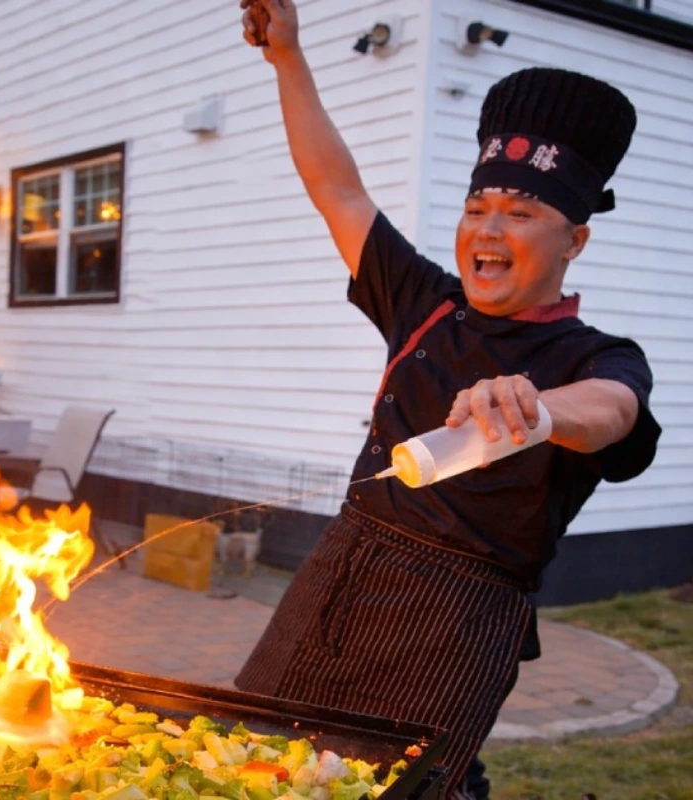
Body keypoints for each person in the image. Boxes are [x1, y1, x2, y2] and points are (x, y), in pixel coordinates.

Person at [236, 1, 663, 797]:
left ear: (574, 240)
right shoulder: (422, 301)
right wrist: (287, 58)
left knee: (400, 788)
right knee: (253, 757)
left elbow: (613, 412)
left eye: (522, 213)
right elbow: (335, 186)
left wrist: (537, 412)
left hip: (456, 618)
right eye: (477, 209)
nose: (488, 230)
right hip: (341, 568)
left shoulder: (596, 356)